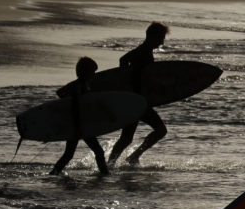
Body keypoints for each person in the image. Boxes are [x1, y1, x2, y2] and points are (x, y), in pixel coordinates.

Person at [108, 22, 169, 166]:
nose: (162, 41)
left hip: (138, 100)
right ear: (153, 36)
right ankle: (124, 159)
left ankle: (112, 163)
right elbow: (123, 60)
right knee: (160, 130)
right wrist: (127, 83)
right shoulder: (143, 51)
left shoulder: (146, 51)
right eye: (161, 37)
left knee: (127, 138)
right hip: (136, 101)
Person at [51, 56, 109, 176]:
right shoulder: (80, 86)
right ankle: (104, 174)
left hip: (76, 125)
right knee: (98, 151)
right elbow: (77, 106)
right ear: (86, 73)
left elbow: (60, 92)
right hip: (80, 126)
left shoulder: (79, 85)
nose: (94, 75)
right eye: (92, 72)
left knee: (68, 154)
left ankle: (53, 173)